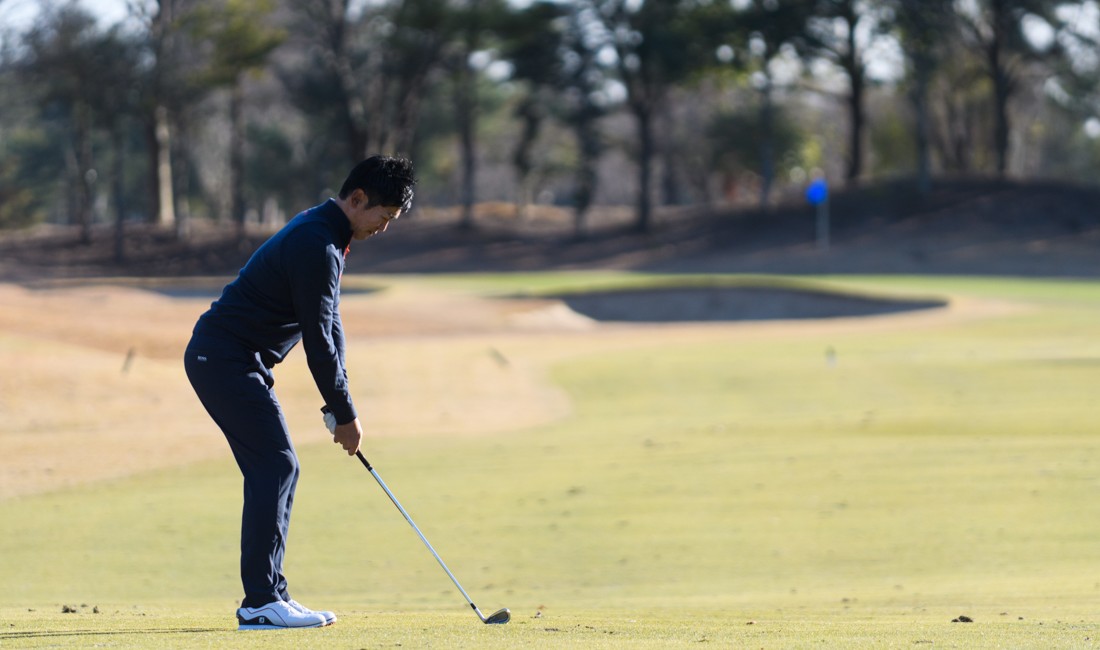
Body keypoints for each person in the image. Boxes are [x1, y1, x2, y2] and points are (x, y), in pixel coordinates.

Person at [184, 155, 416, 630]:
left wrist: (341, 404)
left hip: (233, 359)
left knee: (277, 465)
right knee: (277, 464)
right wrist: (345, 412)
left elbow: (330, 325)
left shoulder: (326, 233)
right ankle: (261, 601)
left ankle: (269, 596)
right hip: (223, 358)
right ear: (357, 200)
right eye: (383, 216)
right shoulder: (317, 242)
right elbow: (317, 340)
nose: (384, 228)